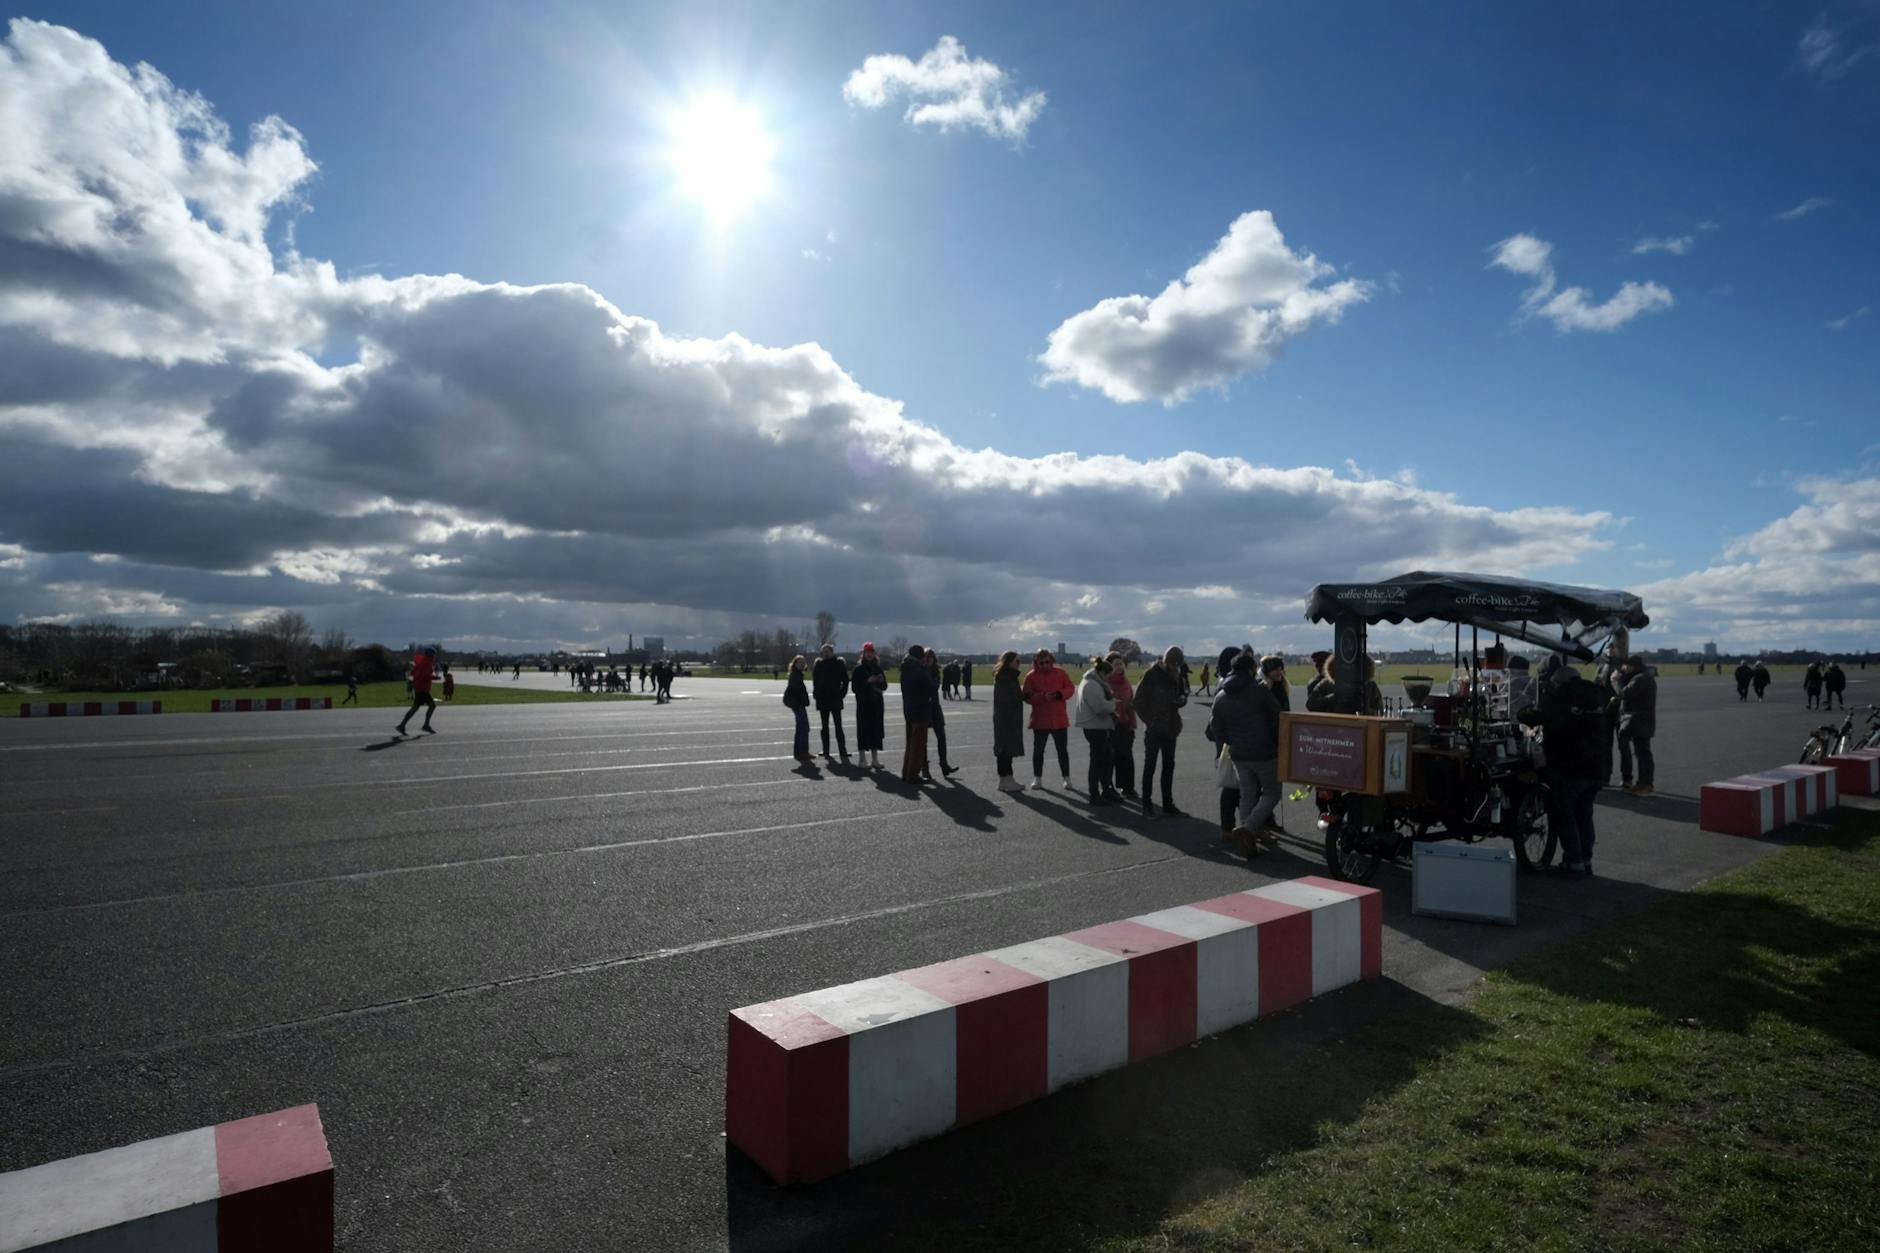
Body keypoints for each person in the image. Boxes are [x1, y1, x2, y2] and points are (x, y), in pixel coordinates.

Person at [1524, 662, 1608, 878]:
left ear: (1558, 682)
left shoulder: (1560, 695)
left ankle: (1574, 861)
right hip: (1597, 766)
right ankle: (1586, 859)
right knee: (1584, 813)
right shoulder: (1596, 694)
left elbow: (1538, 716)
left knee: (1565, 813)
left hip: (1569, 765)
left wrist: (1522, 714)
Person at [1206, 653, 1282, 855]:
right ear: (1250, 669)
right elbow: (1277, 715)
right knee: (1272, 793)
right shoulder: (1259, 690)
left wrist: (1225, 746)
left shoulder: (1221, 695)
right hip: (1264, 751)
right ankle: (1248, 828)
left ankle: (1246, 836)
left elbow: (1216, 726)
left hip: (1238, 753)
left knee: (1247, 793)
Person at [1133, 646, 1186, 817]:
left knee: (1169, 766)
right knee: (1150, 766)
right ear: (1165, 661)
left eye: (1177, 665)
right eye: (1172, 665)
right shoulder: (1151, 675)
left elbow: (1181, 692)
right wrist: (1151, 721)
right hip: (1154, 730)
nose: (1175, 668)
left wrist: (1182, 700)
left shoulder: (1176, 674)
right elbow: (1138, 702)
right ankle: (1147, 804)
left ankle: (1167, 803)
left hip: (1171, 727)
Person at [1021, 649, 1076, 789]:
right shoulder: (1031, 676)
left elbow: (1070, 688)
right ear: (1036, 663)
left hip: (1059, 719)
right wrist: (1042, 697)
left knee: (1062, 751)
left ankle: (1066, 778)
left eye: (1048, 662)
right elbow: (1026, 696)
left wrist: (1059, 694)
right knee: (1038, 751)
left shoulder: (1060, 672)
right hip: (1040, 720)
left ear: (1051, 661)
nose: (1045, 665)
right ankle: (1037, 778)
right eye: (1042, 663)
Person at [1073, 656, 1121, 805]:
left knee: (1106, 759)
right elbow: (1100, 707)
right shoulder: (1092, 685)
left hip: (1096, 726)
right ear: (1101, 672)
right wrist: (1112, 704)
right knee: (1098, 761)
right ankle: (1095, 794)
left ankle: (1104, 790)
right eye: (1107, 675)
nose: (1108, 679)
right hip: (1095, 727)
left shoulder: (1092, 682)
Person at [1615, 655, 1657, 795]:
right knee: (1642, 753)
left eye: (1626, 665)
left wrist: (1616, 680)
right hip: (1642, 720)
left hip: (1640, 720)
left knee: (1643, 754)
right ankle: (1642, 783)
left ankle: (1646, 784)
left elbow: (1625, 693)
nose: (1624, 668)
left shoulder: (1640, 679)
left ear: (1633, 666)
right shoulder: (1643, 677)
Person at [900, 644, 936, 783]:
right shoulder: (919, 671)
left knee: (910, 743)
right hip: (920, 709)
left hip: (909, 708)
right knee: (918, 744)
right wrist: (928, 672)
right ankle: (913, 774)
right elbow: (932, 687)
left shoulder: (906, 668)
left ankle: (906, 771)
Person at [991, 650, 1025, 792]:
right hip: (1006, 719)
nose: (1019, 664)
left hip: (1006, 718)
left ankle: (1005, 780)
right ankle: (1006, 779)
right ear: (1009, 662)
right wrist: (1021, 697)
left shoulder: (1007, 677)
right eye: (1017, 661)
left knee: (1005, 751)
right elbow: (1005, 699)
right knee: (1005, 751)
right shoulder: (1006, 678)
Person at [1107, 652, 1138, 800]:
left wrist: (1133, 723)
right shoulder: (1105, 683)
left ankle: (1128, 787)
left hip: (1125, 724)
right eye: (1115, 665)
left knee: (1127, 757)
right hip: (1110, 725)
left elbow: (1131, 703)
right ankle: (1108, 787)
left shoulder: (1125, 682)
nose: (1119, 667)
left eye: (1120, 664)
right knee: (1111, 758)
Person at [811, 643, 851, 762]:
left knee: (838, 725)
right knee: (824, 726)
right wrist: (816, 693)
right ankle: (826, 750)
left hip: (835, 699)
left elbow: (846, 680)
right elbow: (815, 681)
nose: (826, 653)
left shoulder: (839, 664)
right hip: (822, 699)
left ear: (832, 652)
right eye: (824, 651)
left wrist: (842, 694)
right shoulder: (819, 664)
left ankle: (842, 750)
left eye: (828, 651)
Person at [851, 643, 888, 769]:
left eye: (871, 652)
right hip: (864, 704)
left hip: (877, 704)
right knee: (863, 730)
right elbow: (855, 688)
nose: (869, 654)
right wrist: (867, 682)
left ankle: (875, 759)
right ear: (863, 653)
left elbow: (884, 686)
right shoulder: (858, 669)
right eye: (867, 652)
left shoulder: (878, 668)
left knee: (876, 731)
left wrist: (881, 681)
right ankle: (862, 760)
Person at [926, 648, 959, 775]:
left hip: (935, 707)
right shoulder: (921, 671)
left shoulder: (935, 671)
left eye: (931, 657)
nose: (928, 659)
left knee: (942, 737)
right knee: (923, 740)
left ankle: (943, 763)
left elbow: (934, 686)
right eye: (926, 657)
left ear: (934, 659)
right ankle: (925, 768)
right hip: (924, 708)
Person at [397, 645, 439, 736]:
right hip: (423, 689)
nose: (434, 657)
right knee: (431, 706)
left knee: (416, 707)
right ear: (431, 655)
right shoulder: (427, 663)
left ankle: (403, 725)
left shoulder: (421, 662)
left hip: (419, 688)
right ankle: (424, 725)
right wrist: (435, 677)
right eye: (434, 655)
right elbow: (425, 676)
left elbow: (414, 673)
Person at [782, 656, 813, 763]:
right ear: (795, 664)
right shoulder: (796, 675)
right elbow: (794, 690)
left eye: (803, 662)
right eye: (799, 662)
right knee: (804, 727)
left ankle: (798, 752)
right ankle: (803, 752)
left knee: (800, 728)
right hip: (798, 705)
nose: (801, 664)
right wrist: (799, 702)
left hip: (798, 704)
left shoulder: (797, 674)